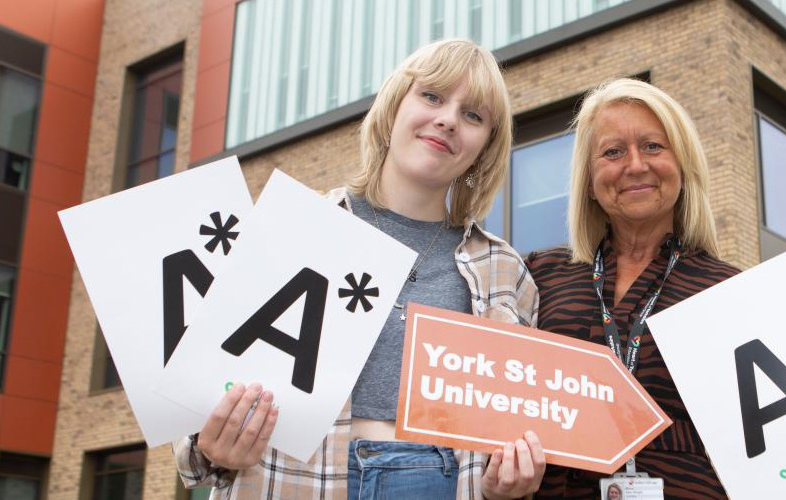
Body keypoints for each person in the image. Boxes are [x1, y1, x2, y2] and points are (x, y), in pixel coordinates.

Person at [173, 39, 545, 500]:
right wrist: (209, 446)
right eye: (432, 96)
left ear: (485, 148)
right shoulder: (289, 228)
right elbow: (193, 419)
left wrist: (505, 488)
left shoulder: (505, 272)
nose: (449, 119)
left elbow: (510, 437)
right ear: (393, 108)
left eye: (473, 115)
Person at [526, 78, 786, 500]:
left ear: (683, 166)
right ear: (588, 179)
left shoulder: (733, 293)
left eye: (653, 146)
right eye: (613, 151)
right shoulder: (539, 277)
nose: (634, 165)